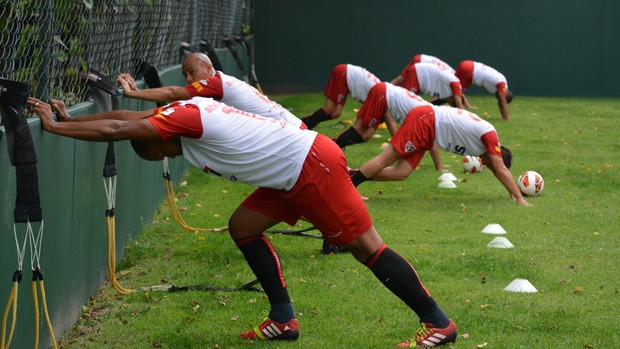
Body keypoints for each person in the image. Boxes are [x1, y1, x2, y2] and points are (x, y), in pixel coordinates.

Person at [30, 95, 458, 347]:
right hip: (290, 175)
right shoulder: (176, 115)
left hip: (312, 167)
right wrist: (70, 119)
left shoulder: (183, 122)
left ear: (162, 145)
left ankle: (438, 323)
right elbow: (127, 122)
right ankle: (284, 318)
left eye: (163, 153)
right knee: (243, 226)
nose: (171, 157)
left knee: (366, 248)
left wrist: (52, 126)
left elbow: (115, 131)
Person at [349, 104, 530, 206]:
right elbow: (500, 169)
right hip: (425, 121)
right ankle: (349, 186)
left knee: (401, 173)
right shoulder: (490, 135)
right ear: (495, 154)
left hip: (429, 131)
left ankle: (353, 175)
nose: (486, 165)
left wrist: (511, 192)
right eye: (489, 165)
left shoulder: (486, 145)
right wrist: (519, 198)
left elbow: (498, 169)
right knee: (386, 158)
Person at [117, 52, 304, 129]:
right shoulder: (220, 82)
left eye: (193, 72)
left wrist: (133, 93)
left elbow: (173, 93)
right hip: (288, 126)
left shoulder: (215, 83)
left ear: (209, 67)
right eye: (186, 75)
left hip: (288, 129)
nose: (189, 79)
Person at [333, 81, 447, 172]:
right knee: (358, 129)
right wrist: (439, 167)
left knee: (366, 135)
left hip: (383, 93)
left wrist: (397, 144)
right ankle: (330, 149)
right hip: (382, 93)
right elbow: (432, 144)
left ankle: (333, 149)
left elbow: (390, 120)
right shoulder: (429, 117)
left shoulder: (428, 112)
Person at [301, 63, 380, 129]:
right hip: (343, 74)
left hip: (346, 79)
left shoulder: (381, 95)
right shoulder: (380, 99)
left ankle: (302, 124)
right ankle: (301, 127)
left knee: (336, 113)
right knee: (328, 109)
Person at [390, 62, 465, 109]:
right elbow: (459, 102)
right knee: (405, 98)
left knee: (406, 97)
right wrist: (461, 113)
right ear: (453, 99)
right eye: (453, 104)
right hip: (418, 72)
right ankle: (388, 103)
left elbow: (433, 104)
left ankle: (388, 97)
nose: (450, 104)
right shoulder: (455, 83)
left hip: (419, 73)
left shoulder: (447, 95)